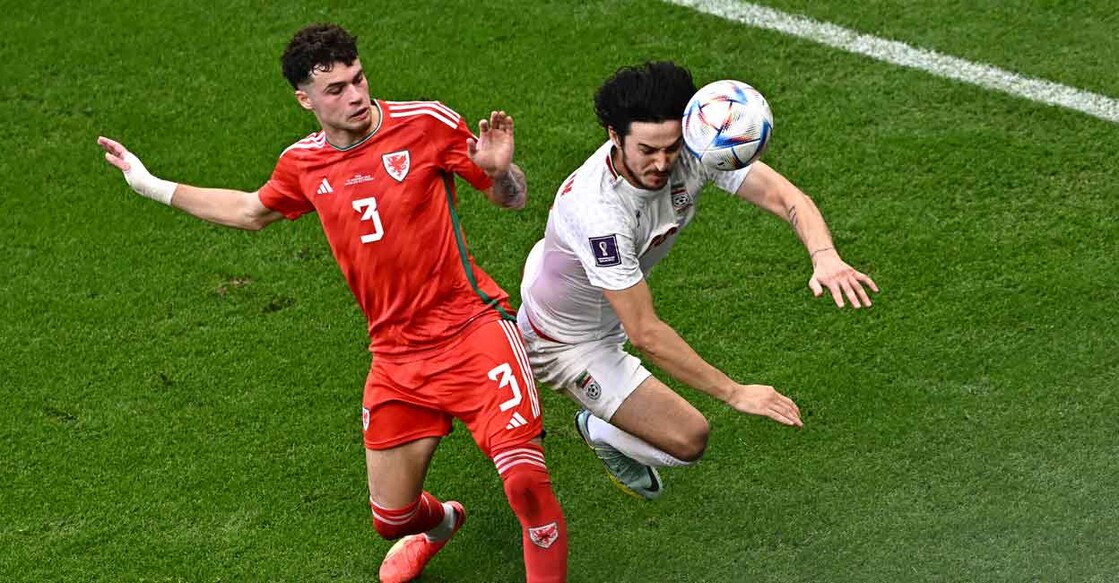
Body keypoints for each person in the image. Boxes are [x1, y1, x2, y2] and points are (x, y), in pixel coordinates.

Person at [97, 23, 567, 583]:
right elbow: (251, 211)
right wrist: (148, 183)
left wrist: (500, 173)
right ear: (305, 100)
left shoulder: (426, 123)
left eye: (358, 79)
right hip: (396, 358)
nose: (356, 96)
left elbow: (509, 199)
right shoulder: (302, 164)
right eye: (336, 90)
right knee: (392, 520)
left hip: (472, 331)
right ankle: (441, 524)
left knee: (525, 483)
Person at [517, 61, 878, 499]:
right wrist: (736, 393)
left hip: (583, 289)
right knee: (689, 439)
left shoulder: (695, 145)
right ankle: (599, 427)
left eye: (670, 148)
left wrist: (825, 256)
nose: (663, 163)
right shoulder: (599, 215)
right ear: (614, 137)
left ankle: (604, 416)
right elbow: (645, 333)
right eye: (647, 150)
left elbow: (788, 198)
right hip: (565, 341)